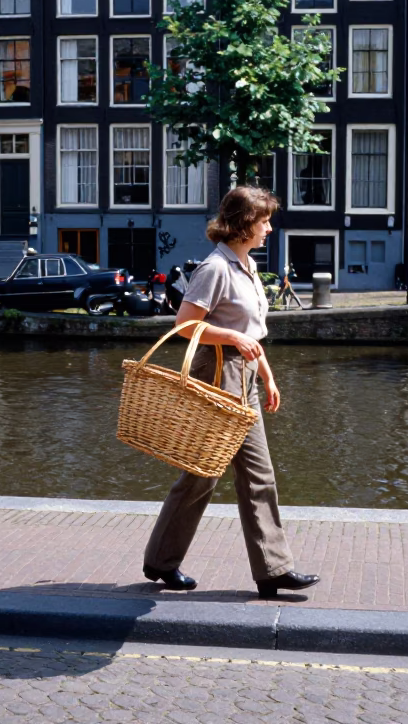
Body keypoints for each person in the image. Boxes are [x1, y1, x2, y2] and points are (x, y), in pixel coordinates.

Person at [142, 186, 319, 599]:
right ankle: (161, 561)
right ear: (243, 224)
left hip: (246, 377)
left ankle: (273, 570)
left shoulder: (248, 266)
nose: (270, 228)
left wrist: (268, 377)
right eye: (264, 221)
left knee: (259, 475)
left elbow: (252, 335)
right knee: (202, 474)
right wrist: (233, 340)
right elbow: (184, 326)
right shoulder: (215, 269)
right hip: (217, 376)